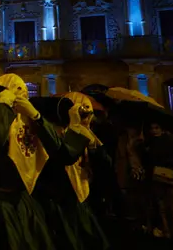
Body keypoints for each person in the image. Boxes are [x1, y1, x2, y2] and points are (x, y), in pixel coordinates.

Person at [0, 74, 89, 250]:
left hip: (22, 206)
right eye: (16, 89)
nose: (22, 93)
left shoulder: (30, 122)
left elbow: (64, 155)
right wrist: (3, 106)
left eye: (24, 90)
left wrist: (37, 117)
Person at [34, 92, 110, 250]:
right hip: (62, 199)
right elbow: (64, 156)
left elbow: (104, 162)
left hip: (82, 193)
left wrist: (88, 134)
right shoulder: (56, 134)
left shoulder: (86, 133)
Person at [141, 121, 173, 242]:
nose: (154, 131)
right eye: (152, 128)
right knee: (162, 207)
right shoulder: (150, 143)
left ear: (162, 129)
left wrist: (169, 163)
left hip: (170, 177)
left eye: (157, 128)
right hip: (157, 177)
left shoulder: (170, 142)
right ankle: (168, 232)